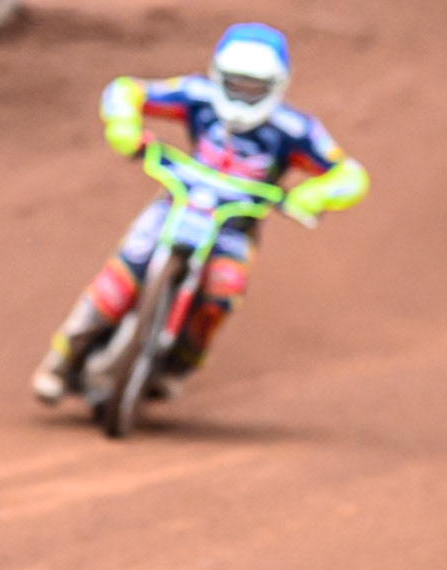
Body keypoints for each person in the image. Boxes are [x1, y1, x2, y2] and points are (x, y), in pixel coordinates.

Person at [31, 22, 368, 404]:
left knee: (222, 294)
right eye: (235, 84)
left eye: (253, 87)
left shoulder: (294, 129)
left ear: (276, 86)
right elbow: (126, 89)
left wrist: (312, 196)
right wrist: (125, 126)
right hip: (178, 203)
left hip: (236, 225)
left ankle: (177, 366)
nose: (242, 95)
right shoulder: (197, 96)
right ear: (218, 75)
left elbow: (350, 174)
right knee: (122, 274)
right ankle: (61, 359)